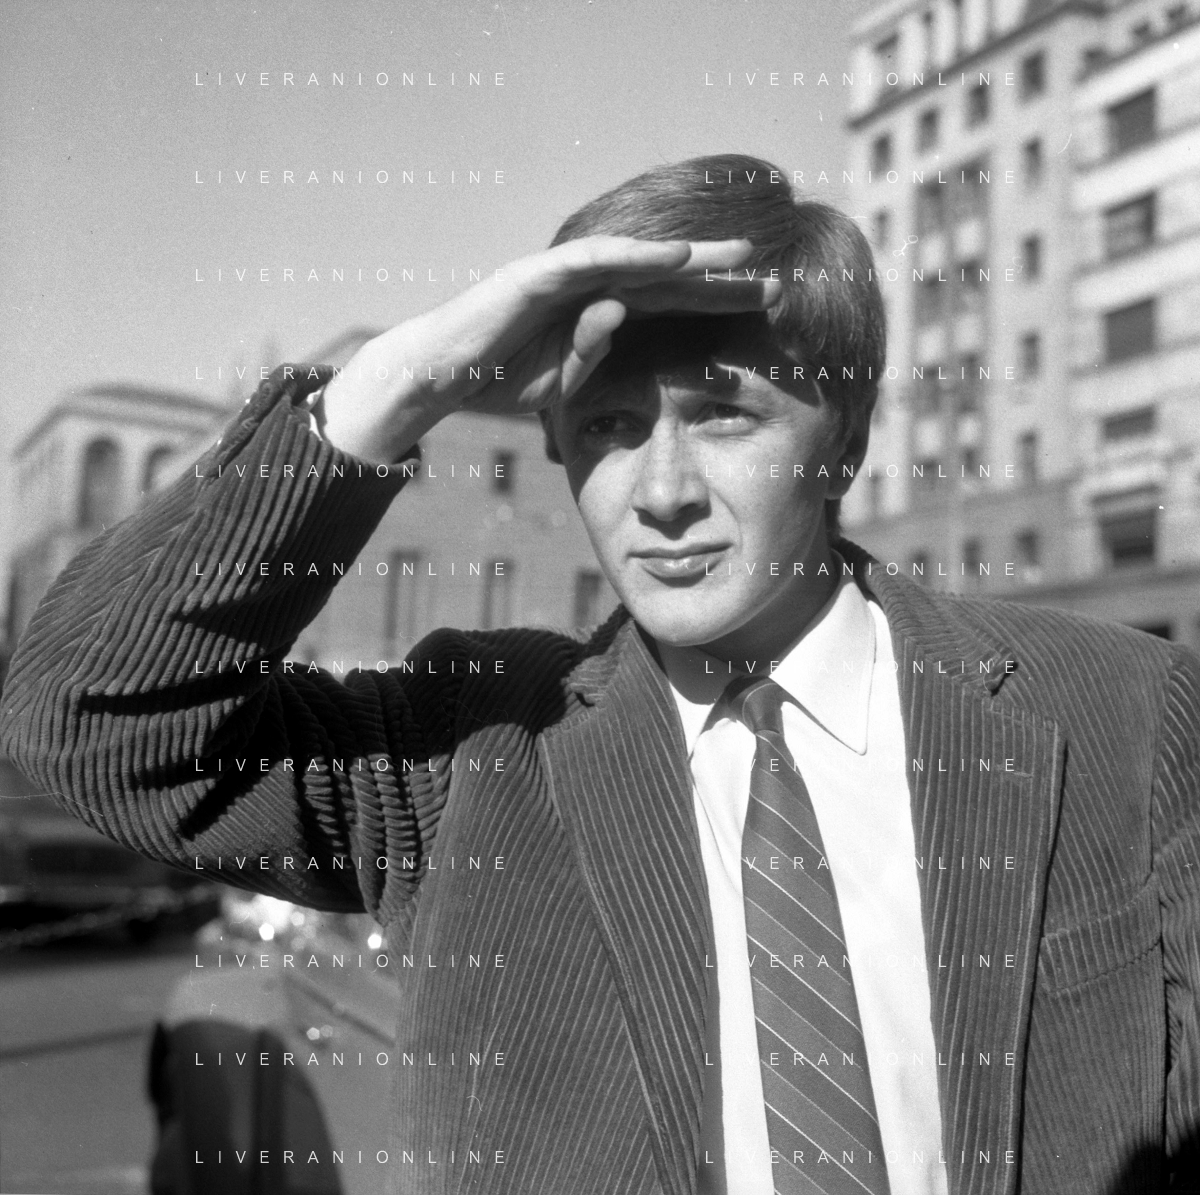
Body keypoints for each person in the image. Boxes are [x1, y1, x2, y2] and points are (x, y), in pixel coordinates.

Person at [2, 154, 1198, 1195]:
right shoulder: (474, 747)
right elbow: (89, 716)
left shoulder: (1122, 713)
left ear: (846, 437)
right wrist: (399, 387)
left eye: (722, 415)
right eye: (609, 427)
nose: (660, 492)